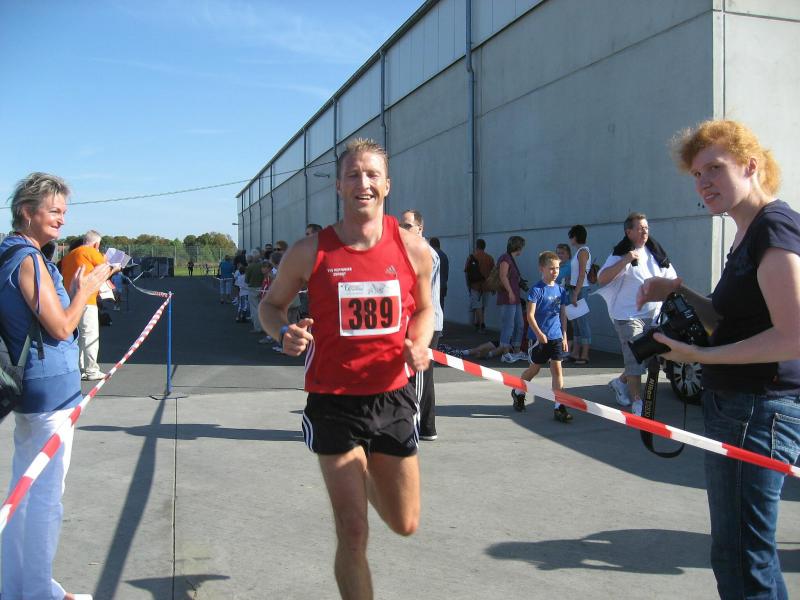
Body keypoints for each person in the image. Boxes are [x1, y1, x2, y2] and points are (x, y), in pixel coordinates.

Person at [260, 138, 433, 600]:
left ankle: (366, 476)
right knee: (353, 530)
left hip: (393, 398)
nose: (363, 183)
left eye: (372, 174)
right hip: (333, 401)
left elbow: (425, 310)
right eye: (353, 175)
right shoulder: (310, 251)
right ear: (338, 186)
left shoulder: (413, 248)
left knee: (405, 522)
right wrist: (284, 333)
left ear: (387, 185)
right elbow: (270, 307)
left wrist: (419, 343)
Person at [637, 120, 800, 599]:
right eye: (696, 174)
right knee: (736, 553)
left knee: (744, 556)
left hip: (759, 409)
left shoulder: (773, 225)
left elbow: (793, 336)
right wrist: (679, 291)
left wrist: (701, 355)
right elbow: (732, 320)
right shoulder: (747, 231)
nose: (703, 182)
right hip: (739, 406)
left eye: (714, 168)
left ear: (750, 166)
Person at [1, 172, 110, 600]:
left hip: (34, 390)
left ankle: (22, 586)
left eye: (64, 211)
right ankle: (37, 593)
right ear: (26, 212)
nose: (62, 219)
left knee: (24, 491)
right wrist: (87, 290)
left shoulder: (14, 253)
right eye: (53, 211)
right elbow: (62, 327)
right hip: (49, 392)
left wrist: (72, 290)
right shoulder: (27, 258)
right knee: (45, 498)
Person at [596, 213, 677, 415]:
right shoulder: (620, 253)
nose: (645, 232)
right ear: (629, 232)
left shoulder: (655, 252)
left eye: (646, 228)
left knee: (648, 356)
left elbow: (671, 278)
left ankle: (620, 382)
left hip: (653, 315)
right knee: (635, 358)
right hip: (628, 316)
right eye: (640, 228)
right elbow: (602, 278)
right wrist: (625, 260)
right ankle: (637, 402)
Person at [511, 251, 572, 422]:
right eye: (551, 268)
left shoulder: (561, 290)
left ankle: (559, 406)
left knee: (557, 369)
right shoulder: (536, 290)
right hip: (539, 338)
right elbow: (530, 315)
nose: (555, 271)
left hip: (556, 336)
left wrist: (564, 336)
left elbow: (562, 314)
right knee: (534, 369)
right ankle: (518, 391)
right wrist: (539, 334)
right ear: (542, 269)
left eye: (557, 268)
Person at [400, 209, 443, 441]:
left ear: (420, 228)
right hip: (419, 321)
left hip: (427, 324)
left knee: (418, 377)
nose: (403, 230)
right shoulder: (414, 251)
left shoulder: (425, 253)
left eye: (408, 225)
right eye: (401, 225)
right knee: (422, 377)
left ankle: (416, 428)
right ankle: (426, 428)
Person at [60, 230, 117, 381]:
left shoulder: (69, 256)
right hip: (87, 300)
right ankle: (92, 370)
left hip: (70, 301)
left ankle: (78, 368)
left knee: (77, 337)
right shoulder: (91, 252)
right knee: (90, 335)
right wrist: (116, 267)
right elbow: (106, 270)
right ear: (96, 244)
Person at [496, 235, 528, 363]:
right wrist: (510, 292)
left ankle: (516, 350)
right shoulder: (505, 258)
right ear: (518, 247)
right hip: (508, 297)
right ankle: (505, 353)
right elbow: (503, 276)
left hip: (515, 297)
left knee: (519, 324)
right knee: (508, 325)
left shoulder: (511, 259)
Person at [567, 225, 592, 364]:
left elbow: (582, 274)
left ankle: (585, 354)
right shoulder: (579, 251)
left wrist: (576, 293)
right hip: (575, 289)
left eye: (571, 236)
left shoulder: (582, 252)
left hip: (580, 289)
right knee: (576, 322)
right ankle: (576, 352)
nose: (570, 239)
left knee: (582, 322)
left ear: (575, 237)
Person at [464, 239, 494, 332]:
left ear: (476, 246)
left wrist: (468, 285)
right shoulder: (489, 258)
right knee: (482, 306)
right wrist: (493, 286)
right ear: (484, 247)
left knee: (477, 306)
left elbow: (466, 273)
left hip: (475, 286)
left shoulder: (471, 257)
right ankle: (478, 322)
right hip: (486, 286)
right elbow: (494, 273)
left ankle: (481, 324)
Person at [244, 249, 264, 333]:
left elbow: (246, 280)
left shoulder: (250, 267)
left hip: (252, 288)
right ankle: (263, 326)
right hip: (262, 288)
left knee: (254, 309)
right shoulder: (262, 265)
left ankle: (257, 327)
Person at [429, 237, 448, 312]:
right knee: (441, 306)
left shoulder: (433, 255)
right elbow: (446, 272)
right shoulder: (444, 255)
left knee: (433, 308)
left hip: (434, 286)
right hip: (443, 285)